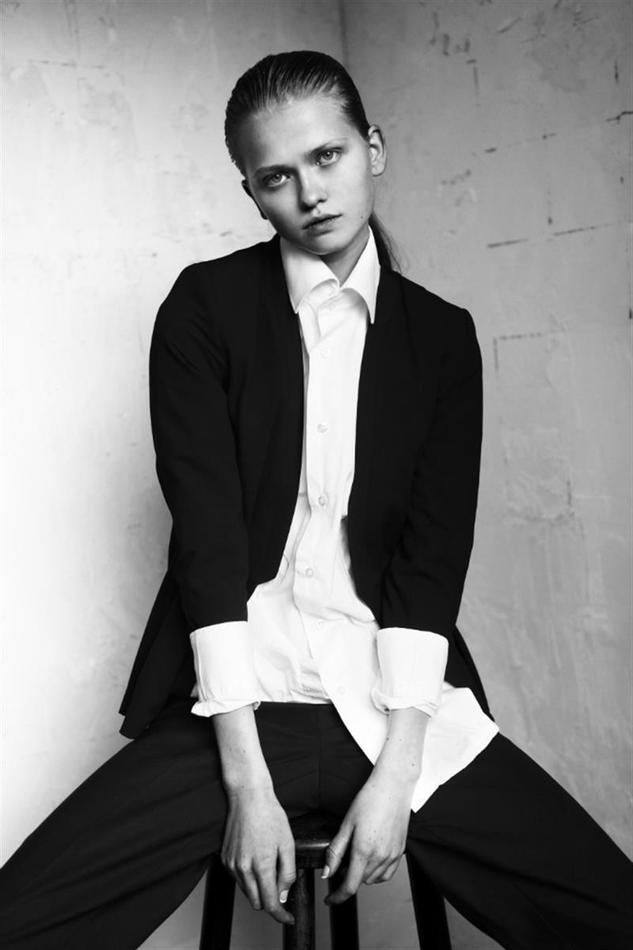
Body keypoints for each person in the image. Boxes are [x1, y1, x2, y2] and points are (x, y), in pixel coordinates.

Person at [0, 49, 631, 950]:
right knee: (23, 917)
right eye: (277, 177)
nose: (310, 193)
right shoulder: (204, 309)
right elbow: (208, 546)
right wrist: (247, 786)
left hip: (395, 709)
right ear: (252, 194)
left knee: (608, 910)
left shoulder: (440, 339)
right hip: (237, 711)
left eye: (327, 157)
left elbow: (429, 564)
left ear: (373, 148)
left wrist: (398, 777)